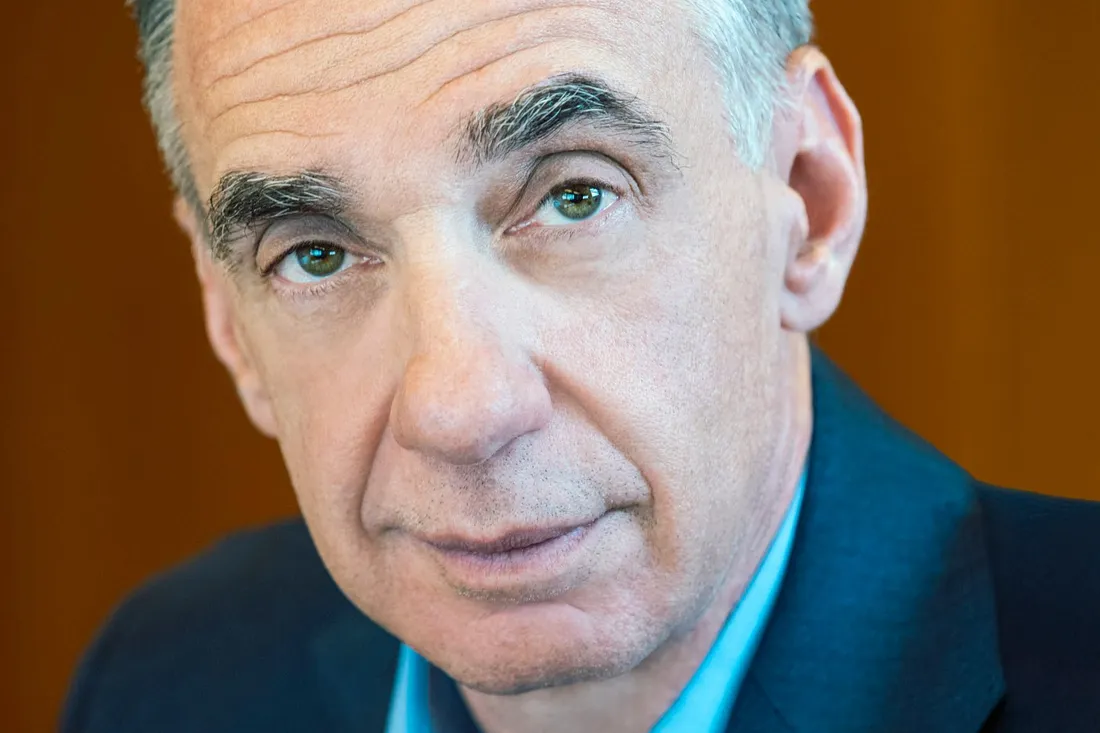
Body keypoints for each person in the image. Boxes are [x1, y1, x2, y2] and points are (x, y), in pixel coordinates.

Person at [63, 0, 1100, 731]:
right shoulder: (166, 683)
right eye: (316, 255)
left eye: (574, 196)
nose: (460, 409)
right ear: (229, 321)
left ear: (808, 198)